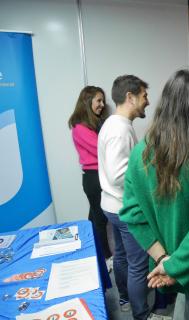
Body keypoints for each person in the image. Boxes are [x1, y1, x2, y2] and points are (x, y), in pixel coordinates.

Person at [119, 70, 189, 320]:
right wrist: (173, 265)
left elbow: (131, 213)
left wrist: (165, 258)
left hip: (167, 259)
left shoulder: (142, 153)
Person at [98, 75, 150, 318]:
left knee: (121, 255)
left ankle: (124, 298)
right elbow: (119, 174)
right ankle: (141, 314)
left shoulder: (113, 123)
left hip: (112, 205)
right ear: (130, 97)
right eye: (144, 95)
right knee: (138, 264)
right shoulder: (119, 129)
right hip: (124, 207)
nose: (147, 101)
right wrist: (149, 176)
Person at [68, 86, 112, 268]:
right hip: (94, 178)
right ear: (87, 102)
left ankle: (89, 250)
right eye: (98, 101)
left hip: (100, 176)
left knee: (94, 218)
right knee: (100, 219)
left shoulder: (96, 124)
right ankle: (107, 258)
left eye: (103, 101)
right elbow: (102, 149)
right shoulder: (79, 128)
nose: (102, 105)